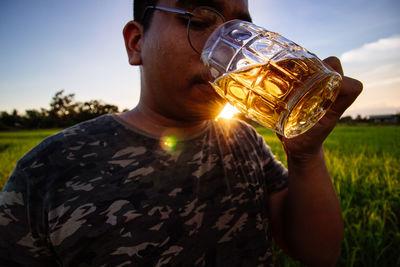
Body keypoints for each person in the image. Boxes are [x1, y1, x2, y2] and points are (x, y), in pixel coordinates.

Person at [0, 0, 362, 266]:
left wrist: (306, 155)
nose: (235, 53)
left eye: (242, 29)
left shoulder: (244, 141)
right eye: (201, 21)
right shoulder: (47, 170)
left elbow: (318, 253)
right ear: (136, 43)